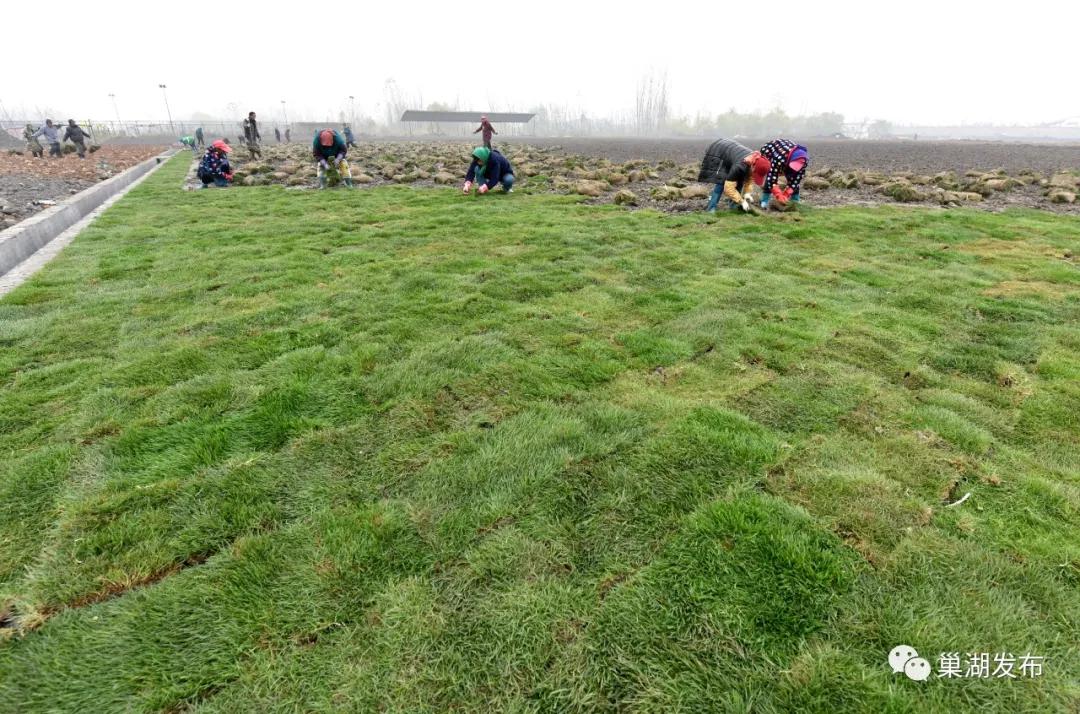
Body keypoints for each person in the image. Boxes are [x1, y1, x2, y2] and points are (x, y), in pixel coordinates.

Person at [697, 138, 771, 213]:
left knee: (740, 182)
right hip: (719, 152)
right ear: (753, 166)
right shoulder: (740, 166)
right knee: (721, 183)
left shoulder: (756, 161)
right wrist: (742, 201)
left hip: (733, 156)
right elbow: (728, 188)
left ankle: (733, 208)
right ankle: (711, 209)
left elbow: (750, 179)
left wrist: (747, 193)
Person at [758, 139, 809, 208]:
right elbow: (772, 176)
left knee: (793, 178)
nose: (794, 168)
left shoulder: (804, 162)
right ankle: (764, 200)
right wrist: (778, 194)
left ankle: (795, 200)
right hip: (771, 151)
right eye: (793, 165)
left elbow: (796, 180)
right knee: (770, 177)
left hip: (786, 160)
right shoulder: (779, 158)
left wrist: (786, 194)